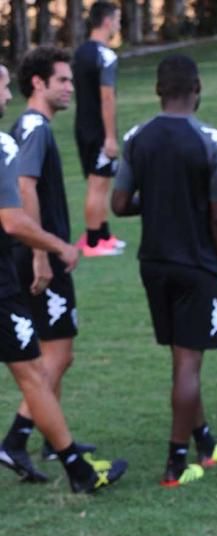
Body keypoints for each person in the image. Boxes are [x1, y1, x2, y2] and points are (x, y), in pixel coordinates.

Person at [112, 54, 217, 487]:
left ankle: (204, 440)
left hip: (154, 264)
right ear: (197, 89)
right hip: (197, 264)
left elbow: (119, 204)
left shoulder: (136, 137)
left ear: (157, 91)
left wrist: (162, 201)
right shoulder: (213, 141)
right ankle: (175, 463)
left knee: (182, 356)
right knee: (189, 362)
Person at [0, 64, 127, 493]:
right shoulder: (29, 129)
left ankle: (51, 447)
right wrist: (47, 249)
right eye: (64, 81)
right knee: (45, 361)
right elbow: (21, 198)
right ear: (38, 82)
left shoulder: (22, 129)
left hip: (20, 261)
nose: (73, 88)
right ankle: (45, 451)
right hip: (23, 265)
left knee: (45, 361)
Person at [71, 1, 125, 258]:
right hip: (98, 130)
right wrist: (111, 136)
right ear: (106, 21)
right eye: (117, 19)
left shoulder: (81, 52)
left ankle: (103, 234)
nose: (118, 25)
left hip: (82, 126)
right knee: (98, 184)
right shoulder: (106, 56)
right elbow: (107, 98)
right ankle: (93, 242)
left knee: (99, 182)